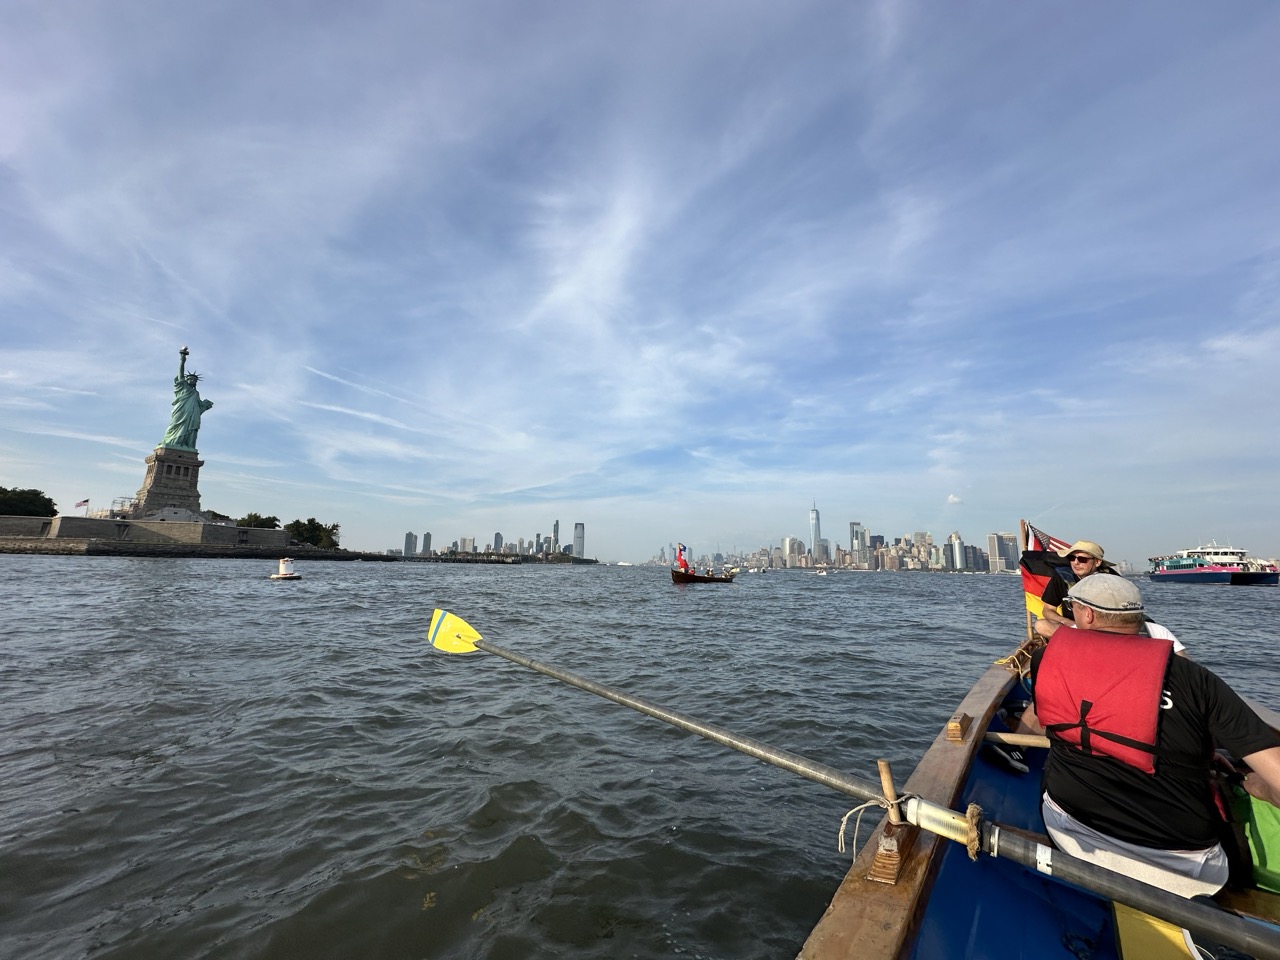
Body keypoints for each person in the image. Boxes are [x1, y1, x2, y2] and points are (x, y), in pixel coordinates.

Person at [1027, 574, 1280, 898]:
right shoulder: (1196, 679)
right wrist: (1252, 784)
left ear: (1086, 614)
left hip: (1073, 830)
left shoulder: (1046, 661)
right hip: (1190, 867)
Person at [1033, 540, 1113, 639]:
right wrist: (1067, 622)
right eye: (1072, 558)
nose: (1076, 563)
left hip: (1102, 630)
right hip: (1072, 630)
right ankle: (1079, 640)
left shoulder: (1111, 580)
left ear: (1097, 562)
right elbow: (1048, 610)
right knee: (1041, 625)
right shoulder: (1063, 577)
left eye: (1082, 559)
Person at [161, 347, 214, 450]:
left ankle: (186, 445)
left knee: (190, 430)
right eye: (189, 378)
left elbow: (199, 408)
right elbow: (180, 374)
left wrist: (205, 406)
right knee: (173, 426)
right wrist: (182, 359)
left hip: (192, 415)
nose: (192, 380)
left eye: (194, 380)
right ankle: (171, 442)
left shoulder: (196, 393)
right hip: (181, 410)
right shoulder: (182, 387)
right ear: (186, 379)